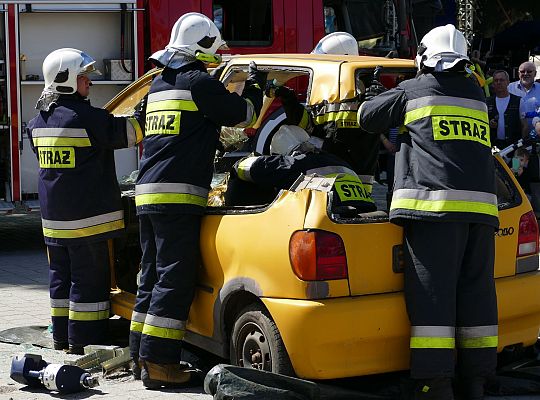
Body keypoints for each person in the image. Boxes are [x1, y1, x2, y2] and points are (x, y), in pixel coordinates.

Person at [358, 24, 498, 399]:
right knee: (476, 296)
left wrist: (375, 95)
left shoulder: (413, 89)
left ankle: (434, 384)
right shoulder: (476, 95)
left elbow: (366, 118)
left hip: (435, 212)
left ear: (424, 56)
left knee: (434, 300)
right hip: (482, 214)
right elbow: (442, 142)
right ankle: (477, 380)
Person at [129, 12, 265, 389]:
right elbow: (243, 116)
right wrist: (256, 84)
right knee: (174, 278)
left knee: (151, 275)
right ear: (201, 48)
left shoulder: (159, 85)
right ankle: (159, 365)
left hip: (148, 194)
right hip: (178, 196)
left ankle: (140, 355)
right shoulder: (199, 82)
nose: (216, 58)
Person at [26, 48, 144, 355]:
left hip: (54, 221)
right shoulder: (91, 119)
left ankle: (61, 338)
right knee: (88, 283)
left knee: (60, 280)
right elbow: (133, 134)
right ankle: (85, 341)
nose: (89, 82)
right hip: (87, 222)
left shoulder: (36, 122)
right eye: (84, 77)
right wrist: (148, 106)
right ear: (67, 81)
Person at [272, 32, 379, 200]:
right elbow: (310, 127)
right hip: (326, 172)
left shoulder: (367, 90)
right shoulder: (327, 90)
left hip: (356, 178)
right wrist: (289, 101)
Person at [229, 125, 376, 213]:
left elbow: (252, 168)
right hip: (365, 214)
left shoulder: (296, 163)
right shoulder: (338, 161)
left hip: (335, 218)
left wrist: (241, 163)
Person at [486, 70, 523, 149]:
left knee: (516, 162)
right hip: (493, 147)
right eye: (496, 80)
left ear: (508, 82)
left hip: (514, 148)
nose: (499, 82)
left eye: (502, 80)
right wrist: (489, 123)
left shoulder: (518, 101)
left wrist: (522, 147)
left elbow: (524, 125)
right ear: (493, 83)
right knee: (494, 162)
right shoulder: (487, 102)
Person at [508, 61, 540, 134]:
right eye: (522, 71)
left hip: (536, 137)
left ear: (535, 73)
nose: (525, 74)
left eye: (529, 71)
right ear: (518, 73)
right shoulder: (509, 88)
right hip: (514, 136)